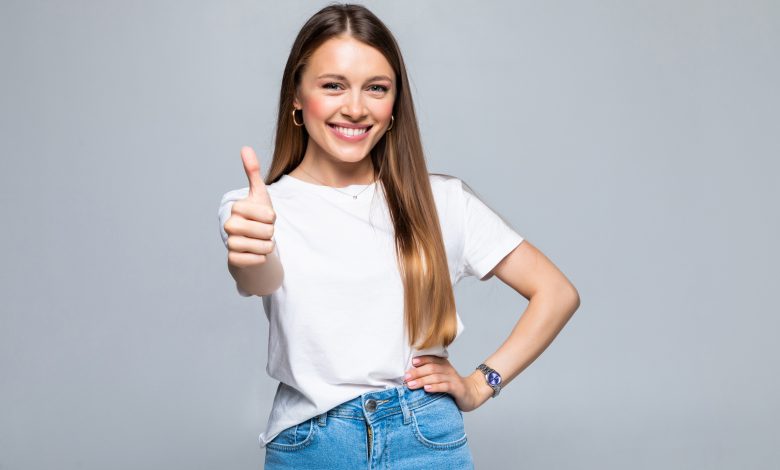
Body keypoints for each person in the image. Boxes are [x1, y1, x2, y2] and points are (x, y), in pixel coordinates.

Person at [217, 4, 580, 469]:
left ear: (394, 106)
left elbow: (556, 293)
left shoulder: (442, 200)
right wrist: (251, 251)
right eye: (332, 86)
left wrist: (479, 384)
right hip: (312, 446)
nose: (354, 107)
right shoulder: (255, 208)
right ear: (296, 95)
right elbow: (257, 279)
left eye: (376, 88)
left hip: (425, 438)